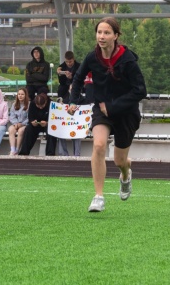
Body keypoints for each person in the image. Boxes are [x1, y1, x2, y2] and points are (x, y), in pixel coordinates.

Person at [68, 17, 147, 213]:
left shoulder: (128, 60)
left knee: (119, 161)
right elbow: (77, 79)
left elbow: (140, 90)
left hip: (126, 112)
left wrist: (113, 106)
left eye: (106, 33)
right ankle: (98, 197)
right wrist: (73, 101)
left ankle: (125, 175)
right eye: (99, 32)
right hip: (101, 109)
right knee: (99, 145)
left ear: (116, 36)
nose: (101, 36)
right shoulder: (92, 57)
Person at [56, 51, 81, 156]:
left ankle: (76, 154)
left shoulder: (79, 66)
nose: (69, 64)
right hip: (65, 93)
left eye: (70, 62)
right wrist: (60, 74)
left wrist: (72, 79)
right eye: (67, 62)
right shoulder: (62, 67)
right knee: (60, 129)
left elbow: (80, 79)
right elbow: (61, 82)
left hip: (75, 90)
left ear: (73, 59)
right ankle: (64, 153)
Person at [8, 87, 29, 156]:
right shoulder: (14, 104)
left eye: (22, 94)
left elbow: (29, 117)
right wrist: (15, 123)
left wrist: (22, 124)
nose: (20, 96)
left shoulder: (29, 104)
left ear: (25, 95)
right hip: (16, 123)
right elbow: (12, 116)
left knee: (20, 131)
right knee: (11, 129)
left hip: (25, 124)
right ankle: (12, 150)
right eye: (19, 94)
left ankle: (17, 150)